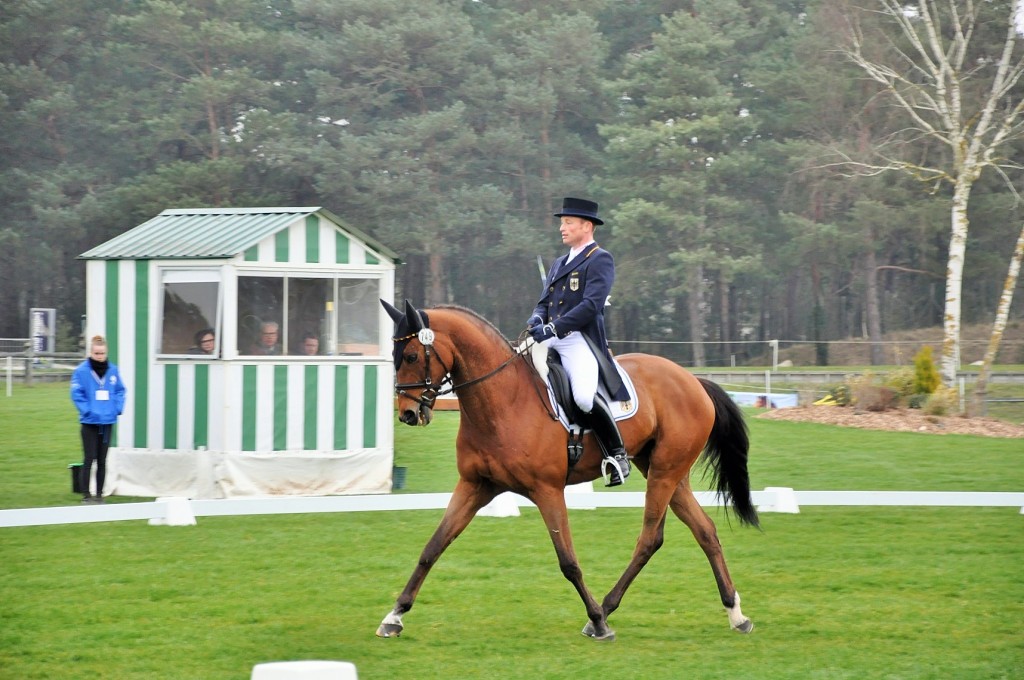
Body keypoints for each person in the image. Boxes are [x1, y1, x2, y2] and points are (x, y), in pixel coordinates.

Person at [528, 197, 631, 486]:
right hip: (549, 335)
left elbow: (591, 305)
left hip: (577, 340)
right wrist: (537, 319)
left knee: (584, 398)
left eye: (568, 223)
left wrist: (553, 328)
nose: (562, 228)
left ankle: (617, 454)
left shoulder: (599, 258)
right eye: (562, 223)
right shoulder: (559, 262)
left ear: (586, 226)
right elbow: (544, 301)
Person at [70, 335, 127, 504]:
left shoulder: (113, 370)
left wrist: (116, 408)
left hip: (107, 421)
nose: (99, 356)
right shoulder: (81, 371)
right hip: (89, 422)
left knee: (102, 460)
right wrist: (87, 411)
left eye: (102, 353)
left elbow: (120, 391)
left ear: (106, 352)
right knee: (89, 458)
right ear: (91, 352)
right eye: (96, 353)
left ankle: (100, 494)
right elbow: (76, 393)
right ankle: (86, 495)